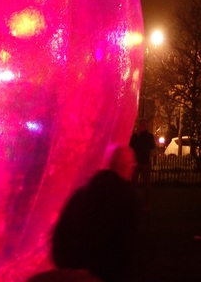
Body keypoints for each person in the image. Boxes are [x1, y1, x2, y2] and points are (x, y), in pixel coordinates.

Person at [50, 145, 140, 282]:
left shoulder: (83, 193)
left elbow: (60, 236)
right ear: (128, 167)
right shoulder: (127, 199)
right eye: (133, 163)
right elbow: (128, 248)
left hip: (71, 267)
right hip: (100, 273)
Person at [128, 119, 157, 201]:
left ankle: (146, 200)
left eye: (144, 125)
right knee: (133, 183)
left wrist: (142, 135)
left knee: (147, 183)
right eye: (141, 125)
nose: (142, 127)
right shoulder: (135, 136)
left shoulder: (149, 136)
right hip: (136, 162)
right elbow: (131, 146)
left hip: (145, 162)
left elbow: (152, 146)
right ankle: (133, 199)